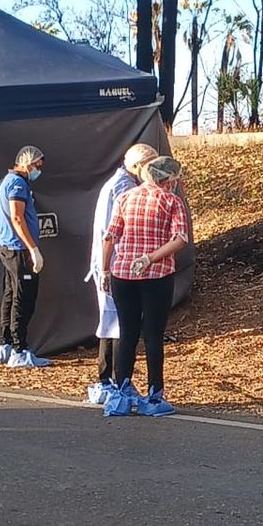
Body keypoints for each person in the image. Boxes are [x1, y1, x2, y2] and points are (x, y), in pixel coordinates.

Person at [100, 155, 190, 417]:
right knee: (153, 334)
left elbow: (110, 236)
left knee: (127, 332)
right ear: (168, 179)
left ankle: (122, 391)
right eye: (175, 179)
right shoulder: (172, 201)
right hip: (156, 274)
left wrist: (105, 269)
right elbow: (180, 238)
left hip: (122, 273)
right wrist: (151, 257)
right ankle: (154, 394)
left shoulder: (125, 197)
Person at [84, 142, 158, 406]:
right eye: (150, 165)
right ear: (138, 166)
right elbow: (117, 231)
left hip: (111, 262)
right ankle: (117, 382)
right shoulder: (125, 188)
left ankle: (107, 381)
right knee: (121, 325)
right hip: (118, 263)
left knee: (111, 321)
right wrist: (109, 267)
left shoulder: (116, 183)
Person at [0, 145, 51, 368]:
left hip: (9, 247)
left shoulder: (6, 181)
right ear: (27, 163)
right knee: (23, 298)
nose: (39, 170)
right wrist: (32, 248)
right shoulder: (16, 183)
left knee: (10, 295)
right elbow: (17, 218)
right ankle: (19, 349)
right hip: (18, 249)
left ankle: (6, 345)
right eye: (37, 166)